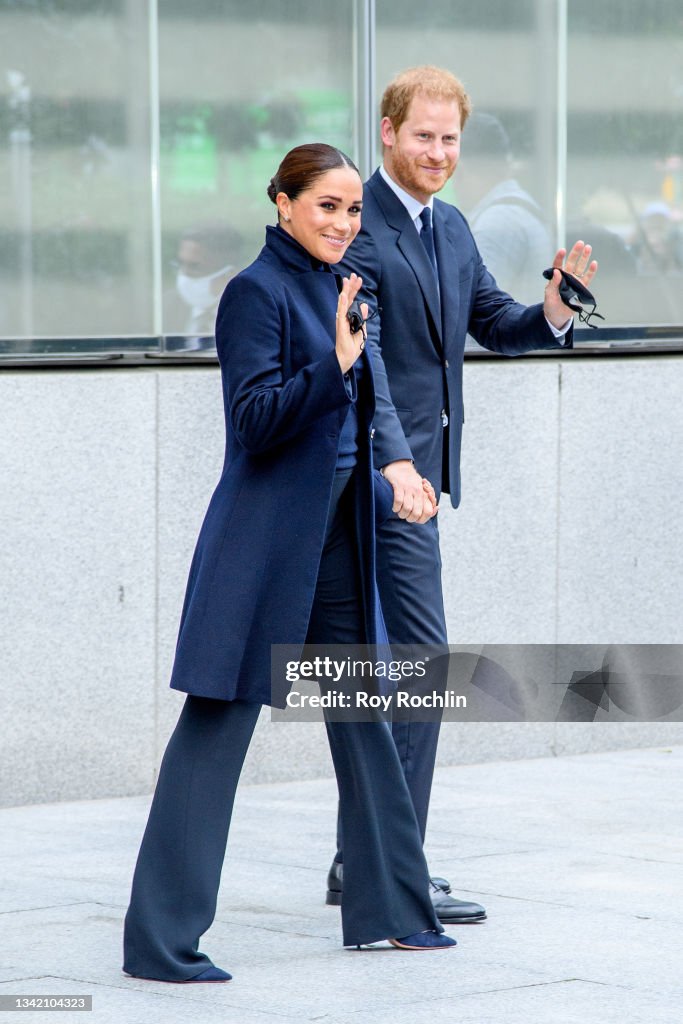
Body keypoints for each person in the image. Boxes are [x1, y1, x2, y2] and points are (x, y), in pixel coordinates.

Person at [122, 143, 455, 985]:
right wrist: (331, 365)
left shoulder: (347, 289)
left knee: (361, 713)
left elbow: (369, 409)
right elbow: (256, 423)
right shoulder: (254, 291)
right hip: (265, 544)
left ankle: (392, 912)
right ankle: (161, 944)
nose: (343, 223)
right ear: (282, 204)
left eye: (351, 210)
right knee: (217, 723)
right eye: (325, 207)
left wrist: (395, 467)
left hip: (340, 534)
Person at [331, 65, 598, 923]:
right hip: (377, 480)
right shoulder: (357, 224)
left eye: (450, 139)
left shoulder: (448, 228)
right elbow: (360, 358)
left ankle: (363, 858)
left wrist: (552, 311)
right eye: (423, 136)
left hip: (416, 484)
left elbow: (494, 322)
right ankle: (392, 867)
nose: (439, 152)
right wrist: (397, 464)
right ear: (386, 131)